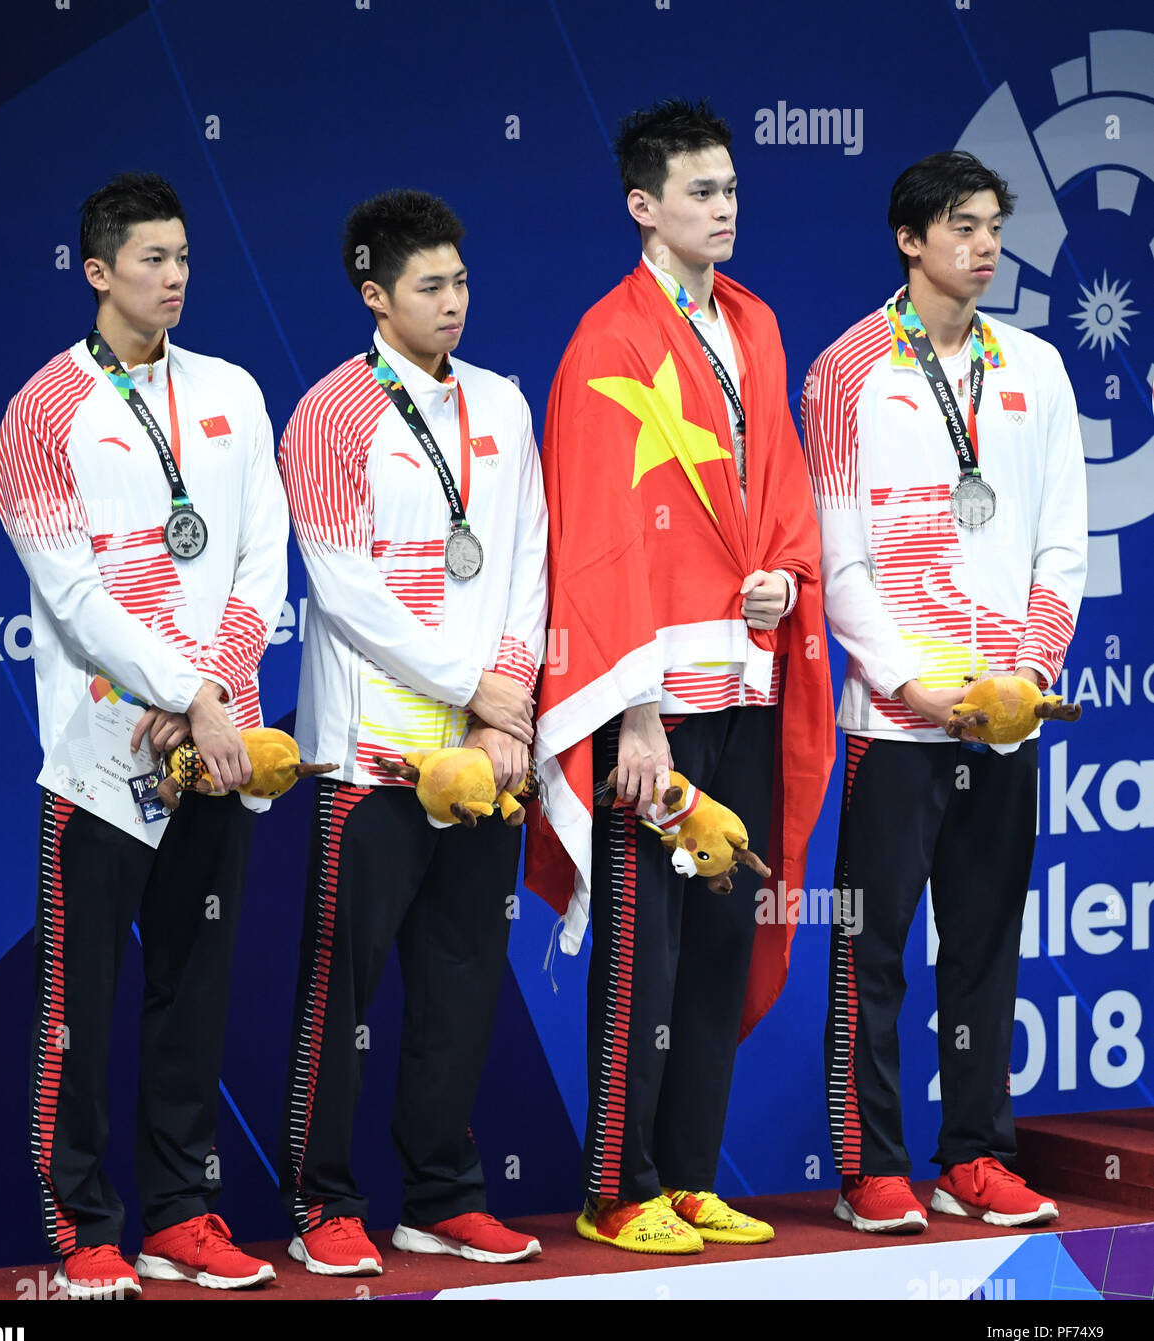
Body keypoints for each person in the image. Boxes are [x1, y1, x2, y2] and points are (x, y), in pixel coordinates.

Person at [526, 99, 834, 1254]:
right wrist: (634, 716)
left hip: (748, 687)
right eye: (702, 192)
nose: (725, 209)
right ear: (643, 206)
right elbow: (598, 540)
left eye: (734, 191)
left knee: (715, 945)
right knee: (643, 954)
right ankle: (617, 1185)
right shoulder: (607, 342)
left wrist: (788, 586)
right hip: (653, 706)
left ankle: (691, 1178)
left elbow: (786, 493)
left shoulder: (754, 325)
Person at [0, 172, 288, 1298]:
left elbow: (264, 554)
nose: (175, 277)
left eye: (185, 258)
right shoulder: (40, 413)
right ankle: (82, 1228)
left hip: (214, 749)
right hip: (100, 762)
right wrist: (183, 687)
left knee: (194, 997)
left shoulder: (235, 391)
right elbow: (73, 596)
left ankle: (182, 1213)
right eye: (151, 259)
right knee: (81, 1014)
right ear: (97, 271)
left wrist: (211, 689)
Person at [802, 150, 1087, 1234]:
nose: (985, 243)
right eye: (962, 225)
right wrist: (915, 686)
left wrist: (1027, 678)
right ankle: (873, 1167)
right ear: (909, 239)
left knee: (983, 946)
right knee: (872, 953)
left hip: (1004, 718)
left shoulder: (1039, 369)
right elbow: (842, 563)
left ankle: (974, 1155)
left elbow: (1064, 545)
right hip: (898, 722)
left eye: (993, 224)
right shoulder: (845, 373)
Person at [277, 189, 548, 1276]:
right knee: (339, 989)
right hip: (374, 762)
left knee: (464, 976)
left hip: (484, 760)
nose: (453, 303)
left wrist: (508, 700)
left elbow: (526, 560)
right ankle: (322, 1199)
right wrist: (476, 688)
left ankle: (441, 1193)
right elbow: (346, 593)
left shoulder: (504, 405)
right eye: (430, 287)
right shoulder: (331, 415)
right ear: (375, 294)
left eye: (462, 282)